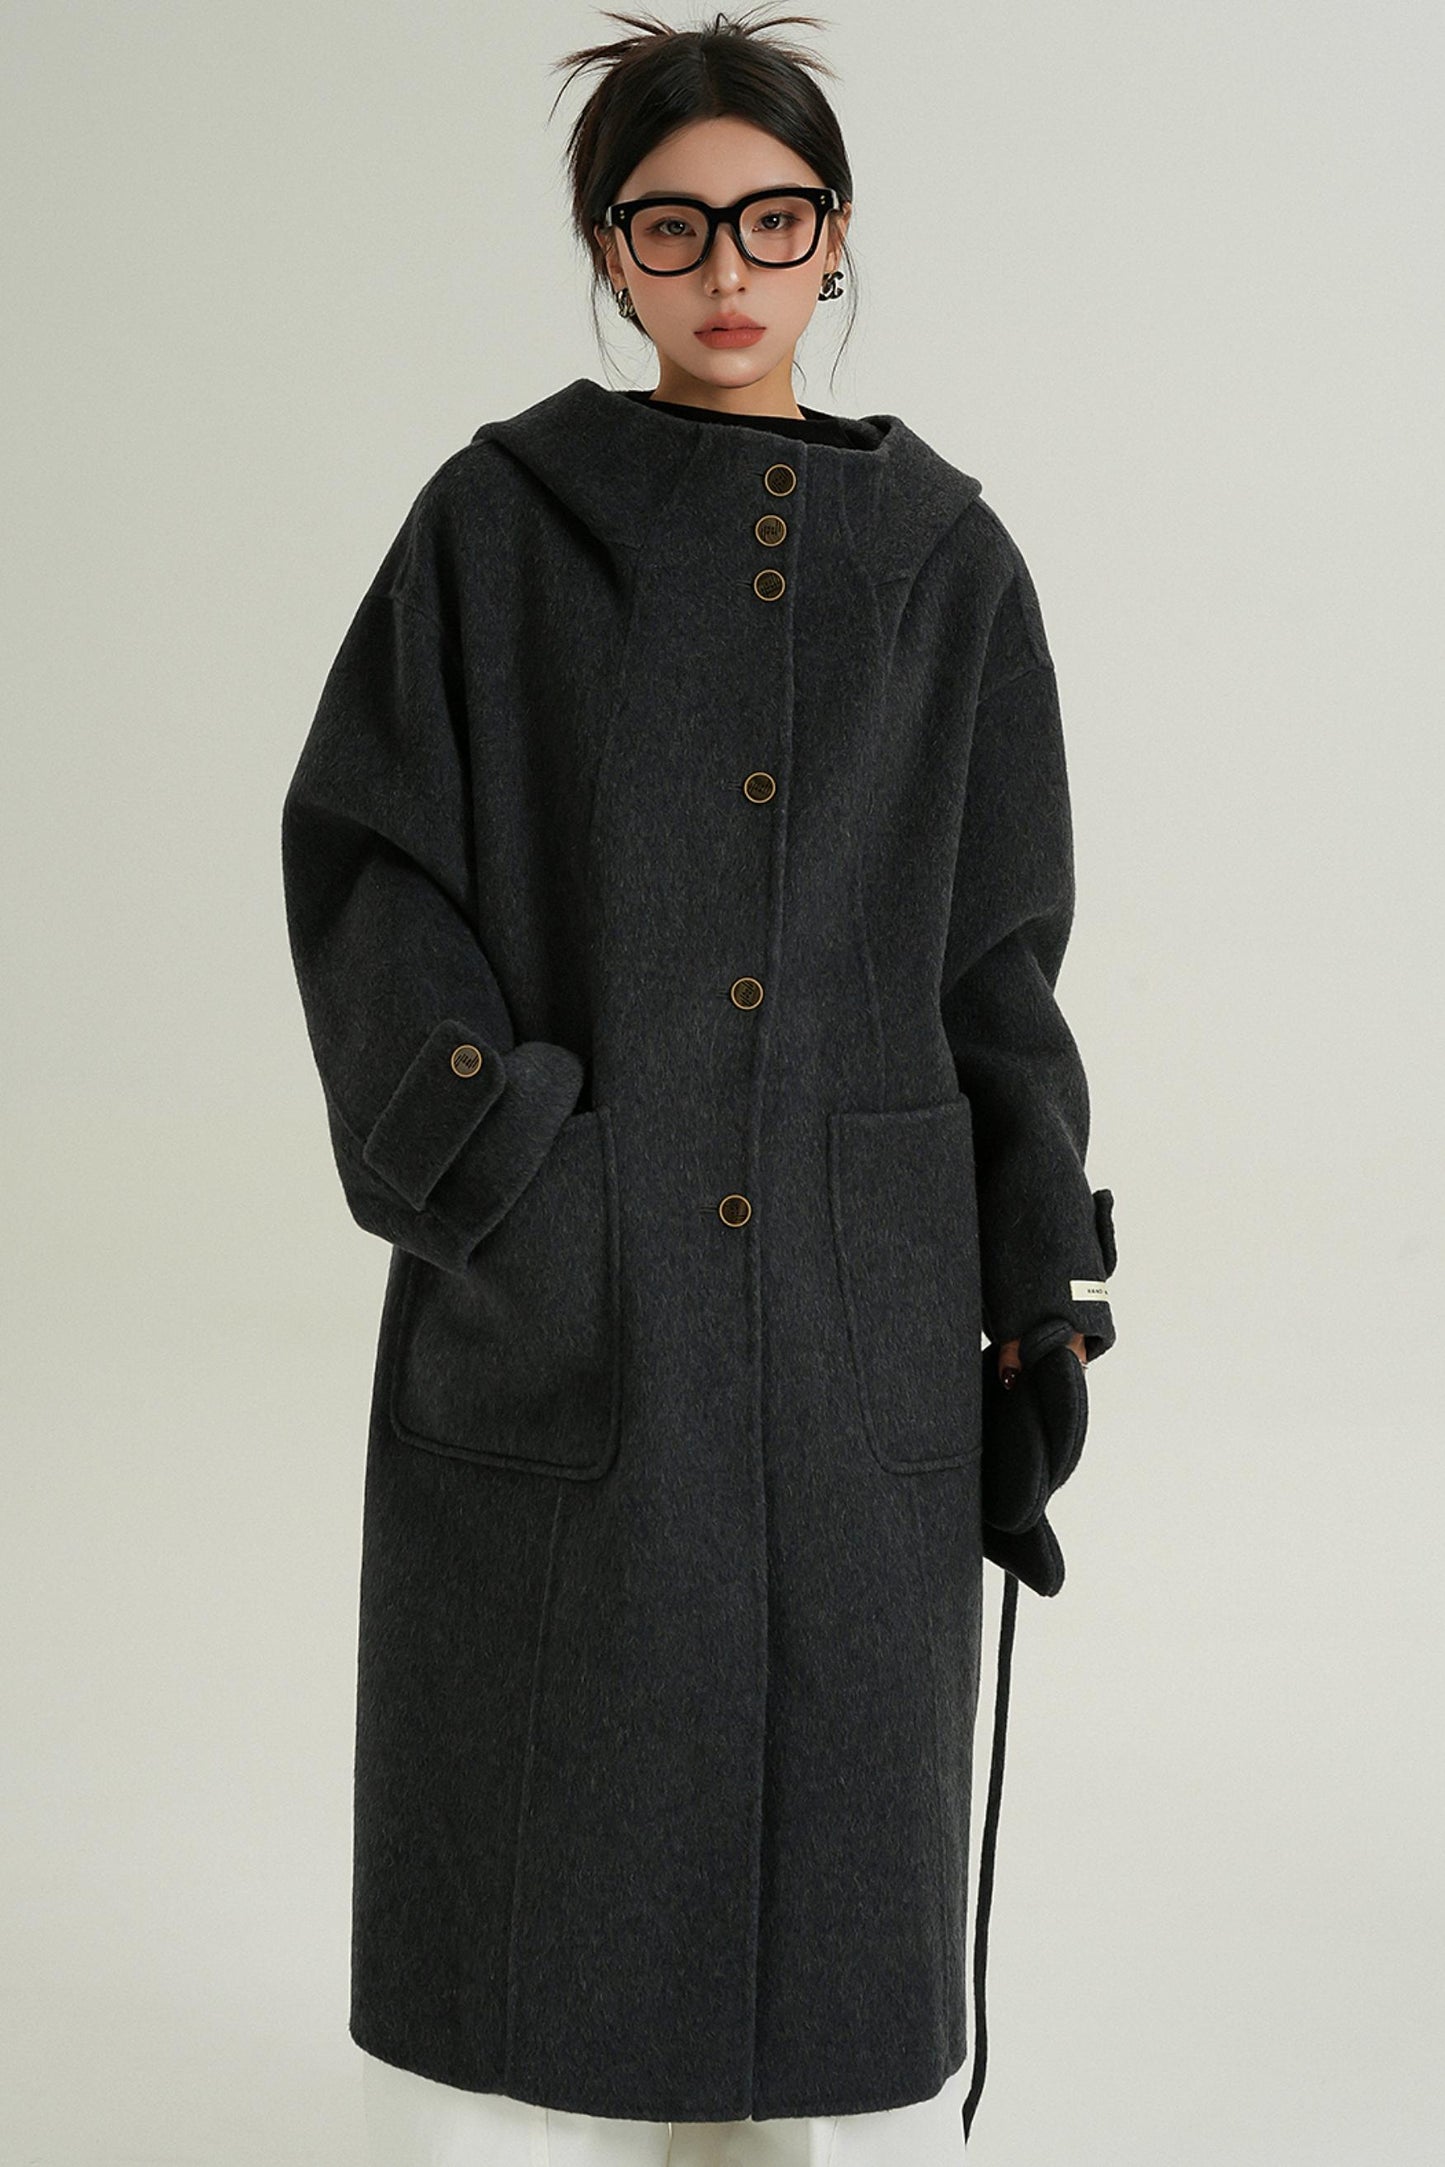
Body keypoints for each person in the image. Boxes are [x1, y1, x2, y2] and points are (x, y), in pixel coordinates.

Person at [281, 9, 1117, 2164]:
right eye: (671, 224)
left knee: (826, 1836)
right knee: (556, 1814)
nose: (726, 267)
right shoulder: (497, 528)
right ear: (608, 248)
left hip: (859, 1312)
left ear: (834, 237)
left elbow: (1000, 958)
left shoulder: (947, 565)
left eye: (771, 218)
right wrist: (501, 1158)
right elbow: (370, 856)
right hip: (575, 1277)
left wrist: (1034, 1282)